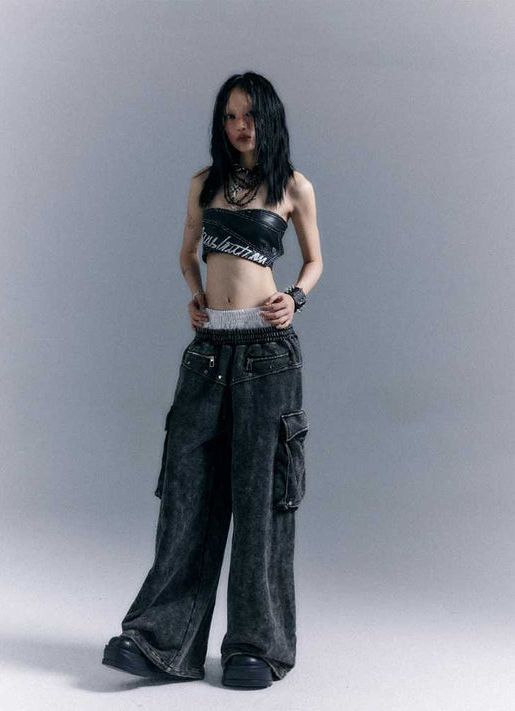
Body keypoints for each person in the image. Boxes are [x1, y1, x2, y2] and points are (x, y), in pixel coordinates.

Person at [102, 71, 323, 689]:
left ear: (268, 119)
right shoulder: (204, 183)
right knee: (187, 493)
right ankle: (162, 642)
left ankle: (257, 646)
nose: (239, 127)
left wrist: (295, 299)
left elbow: (314, 260)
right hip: (208, 352)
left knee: (260, 496)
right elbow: (186, 253)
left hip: (267, 354)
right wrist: (195, 295)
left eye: (249, 116)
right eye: (229, 116)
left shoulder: (293, 186)